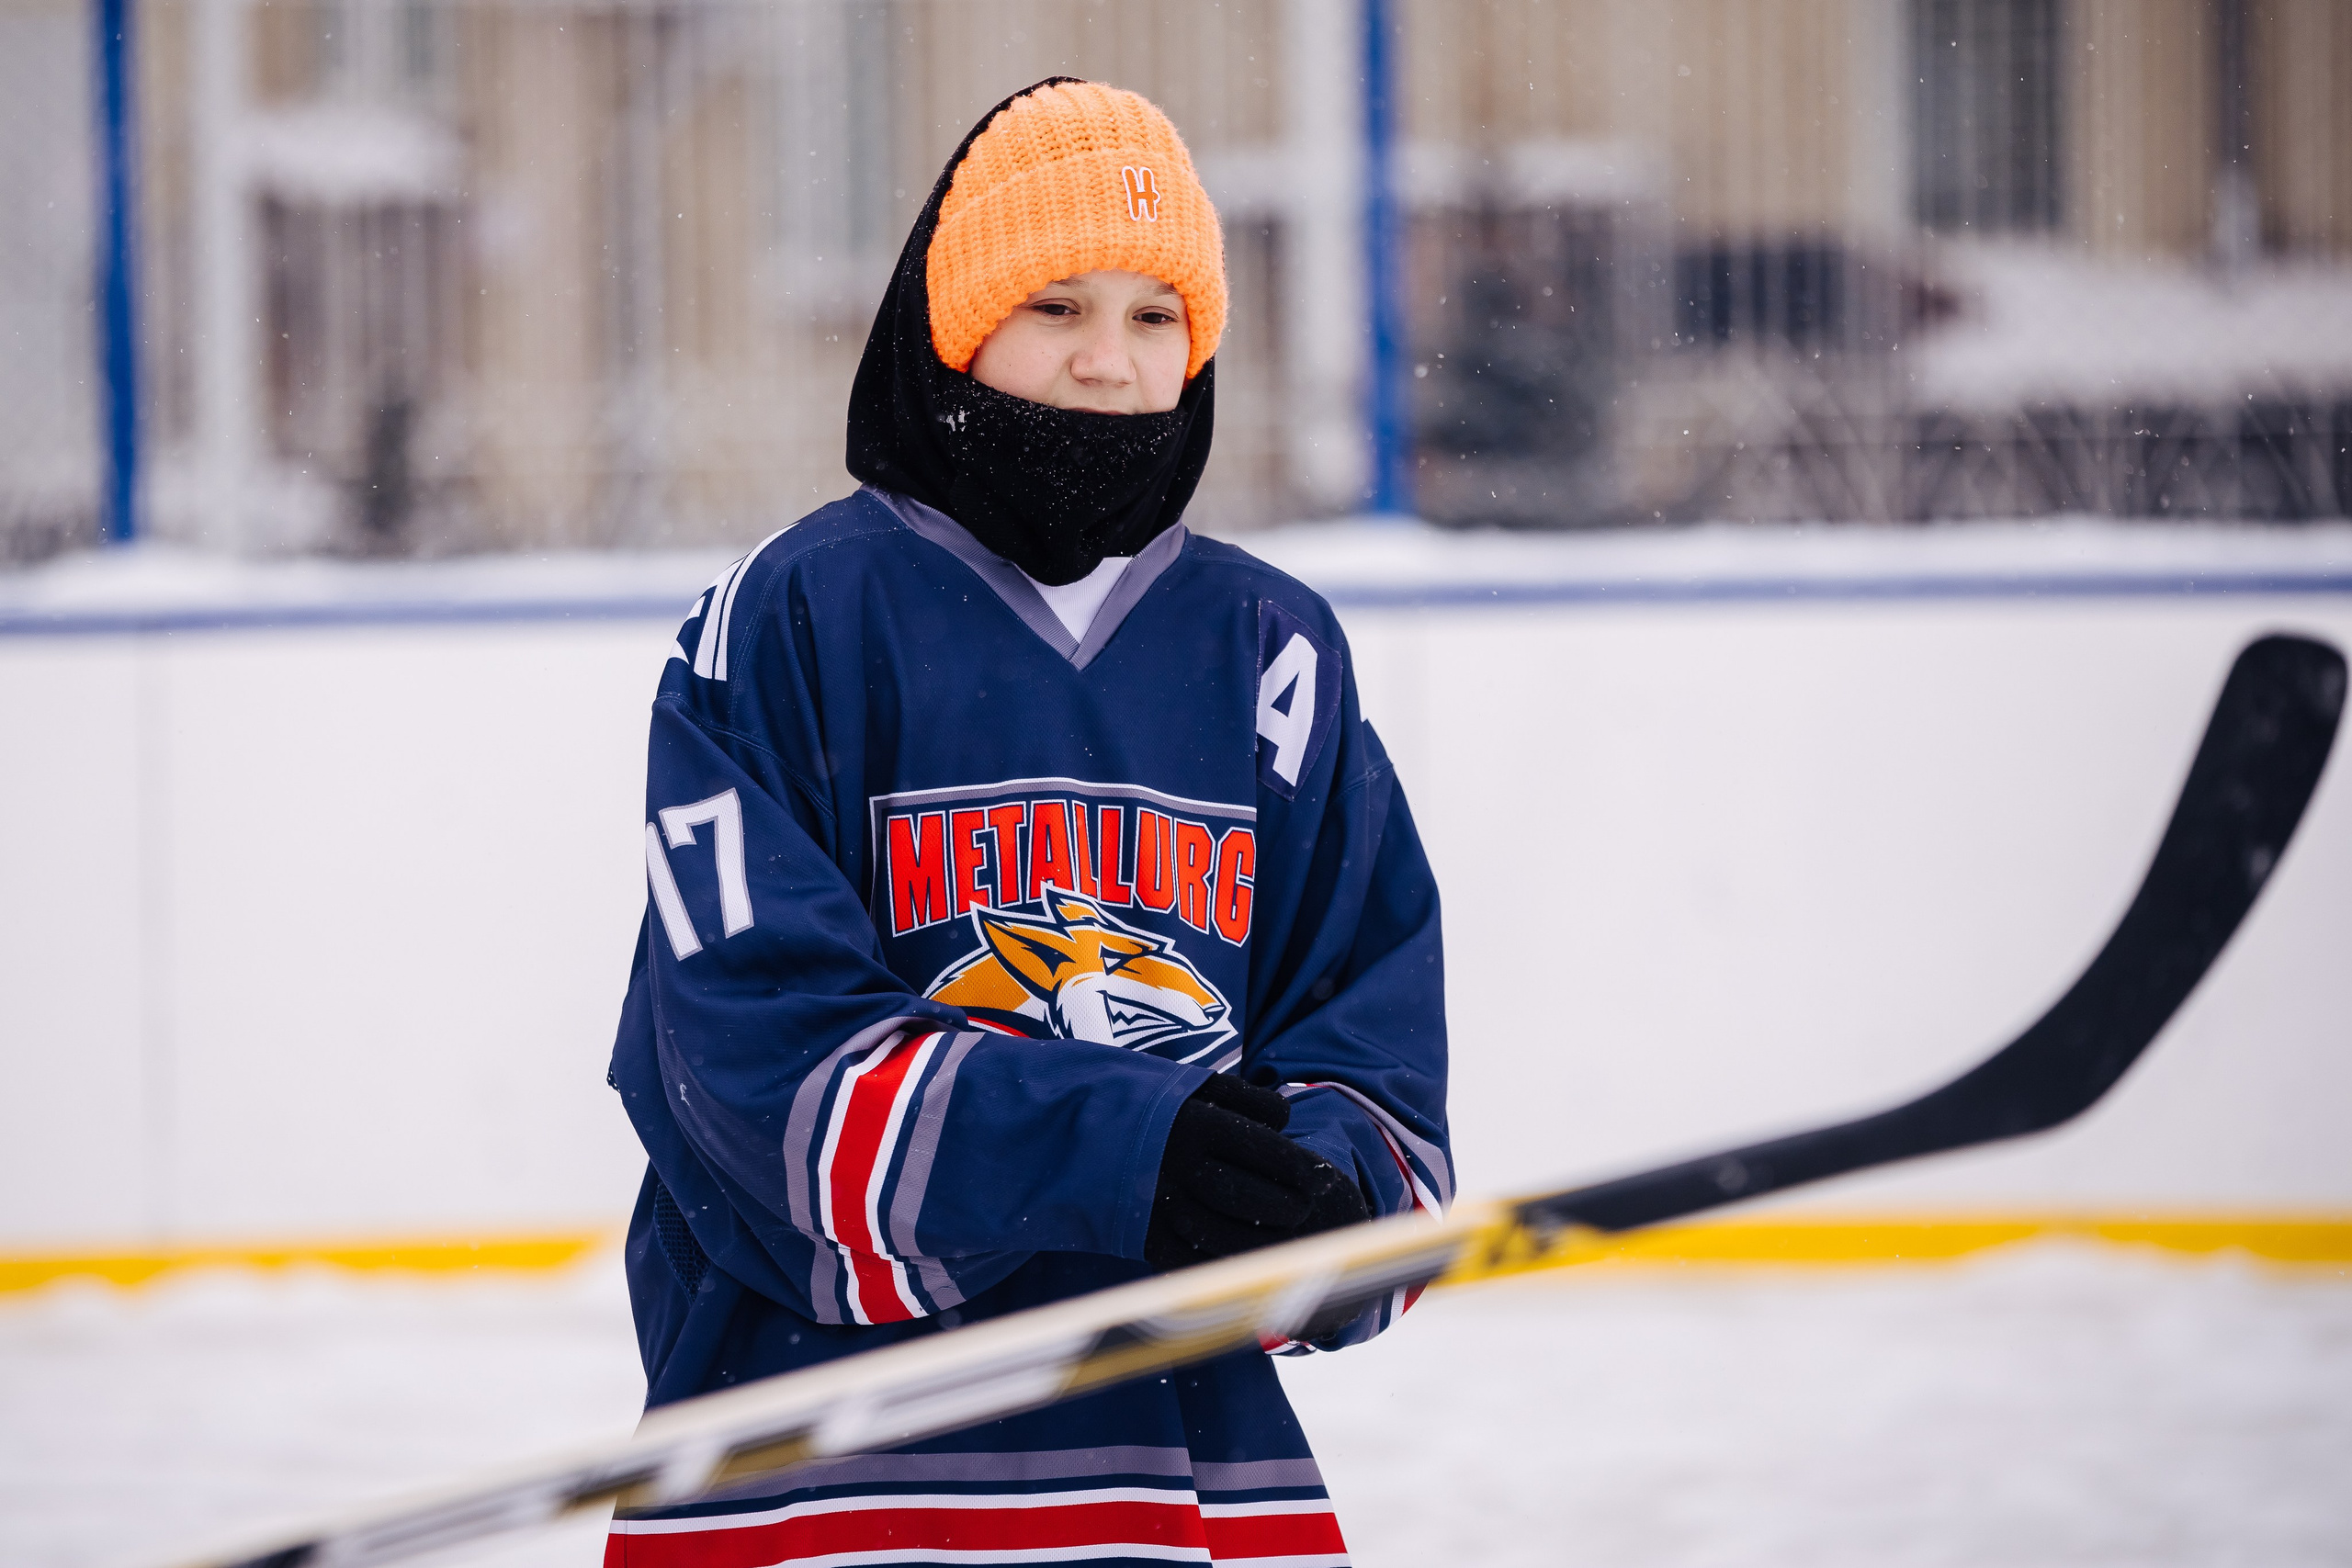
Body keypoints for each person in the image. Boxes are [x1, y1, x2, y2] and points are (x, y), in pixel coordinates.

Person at [605, 77, 1451, 1567]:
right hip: (829, 1459)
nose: (1111, 366)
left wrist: (1313, 1204)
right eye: (1056, 305)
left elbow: (1370, 1044)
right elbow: (746, 1062)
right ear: (955, 326)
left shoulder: (1273, 648)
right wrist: (1129, 1151)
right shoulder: (794, 618)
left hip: (1179, 1469)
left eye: (1154, 317)